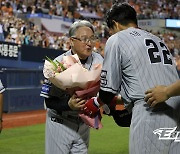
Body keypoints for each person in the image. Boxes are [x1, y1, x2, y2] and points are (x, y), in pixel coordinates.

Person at [83, 3, 180, 154]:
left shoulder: (117, 39)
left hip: (151, 110)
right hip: (176, 111)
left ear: (115, 24)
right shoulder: (158, 40)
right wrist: (117, 101)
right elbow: (146, 83)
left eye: (111, 30)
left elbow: (108, 91)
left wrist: (95, 103)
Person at [40, 20, 103, 154]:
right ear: (72, 41)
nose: (89, 43)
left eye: (92, 38)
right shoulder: (58, 64)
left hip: (84, 123)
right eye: (84, 39)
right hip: (60, 123)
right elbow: (48, 101)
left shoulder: (99, 61)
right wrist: (68, 104)